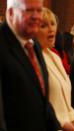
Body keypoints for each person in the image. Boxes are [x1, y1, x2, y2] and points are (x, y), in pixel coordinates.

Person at [0, 0, 60, 130]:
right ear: (10, 13)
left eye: (39, 10)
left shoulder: (34, 44)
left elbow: (42, 100)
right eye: (29, 10)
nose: (36, 16)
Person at [35, 7, 74, 131]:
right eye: (44, 25)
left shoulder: (55, 57)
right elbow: (41, 104)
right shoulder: (33, 59)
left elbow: (65, 101)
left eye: (53, 24)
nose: (51, 29)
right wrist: (63, 123)